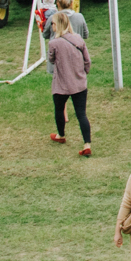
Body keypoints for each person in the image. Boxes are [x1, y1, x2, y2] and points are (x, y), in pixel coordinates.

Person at [47, 9, 91, 155]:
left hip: (62, 85)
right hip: (79, 83)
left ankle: (61, 135)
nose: (51, 26)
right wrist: (83, 73)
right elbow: (87, 61)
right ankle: (87, 144)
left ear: (58, 25)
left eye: (53, 23)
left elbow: (51, 60)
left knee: (59, 109)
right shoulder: (78, 38)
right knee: (81, 114)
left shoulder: (54, 43)